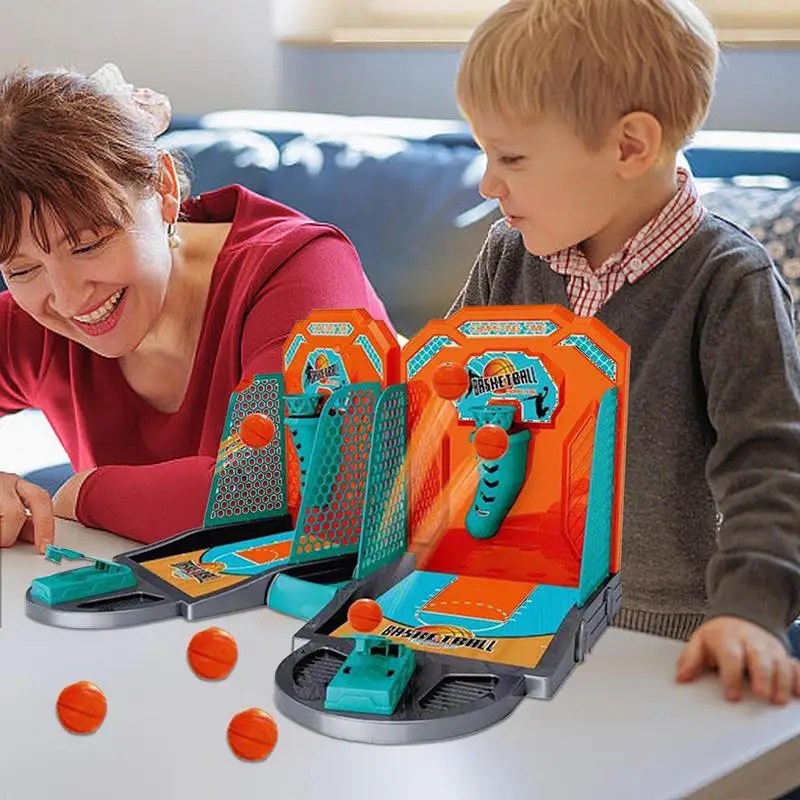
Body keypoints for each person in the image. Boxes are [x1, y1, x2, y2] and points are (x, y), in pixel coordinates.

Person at [448, 0, 800, 705]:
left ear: (631, 147)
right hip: (513, 612)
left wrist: (749, 610)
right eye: (486, 154)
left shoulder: (728, 282)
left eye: (511, 157)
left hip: (667, 635)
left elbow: (773, 461)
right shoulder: (508, 259)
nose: (489, 184)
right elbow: (445, 401)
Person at [0, 64, 394, 550]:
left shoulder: (300, 271)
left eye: (88, 245)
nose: (69, 298)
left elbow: (277, 483)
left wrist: (81, 494)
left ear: (165, 190)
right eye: (21, 270)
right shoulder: (34, 323)